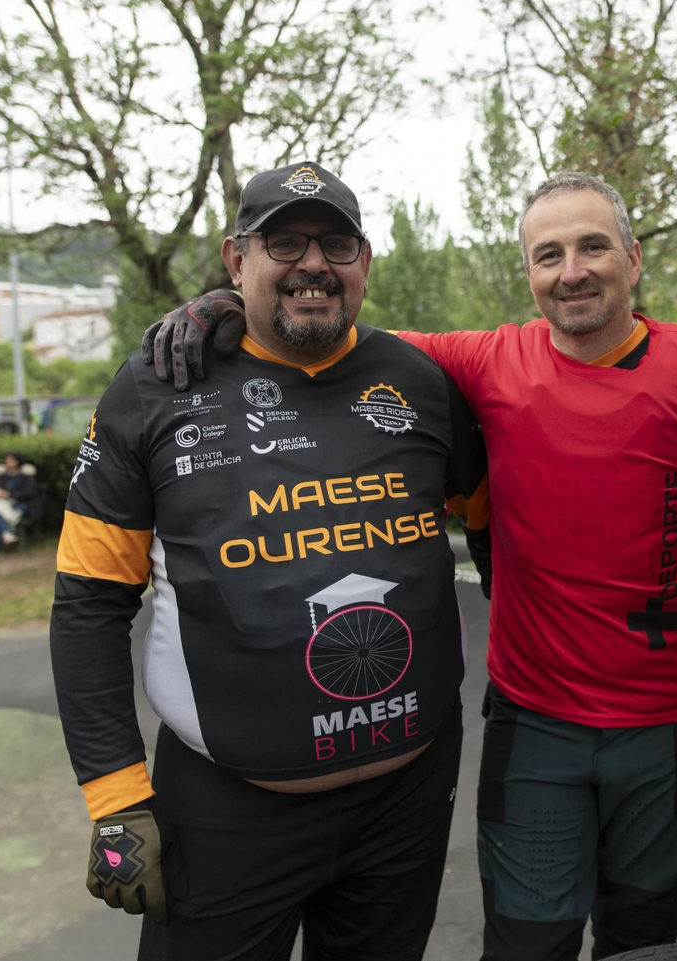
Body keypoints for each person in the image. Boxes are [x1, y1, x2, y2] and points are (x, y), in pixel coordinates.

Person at [143, 171, 677, 960]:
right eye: (549, 253)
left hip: (672, 720)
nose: (572, 270)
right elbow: (330, 329)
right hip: (538, 719)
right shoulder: (482, 360)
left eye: (593, 246)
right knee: (527, 942)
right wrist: (224, 303)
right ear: (528, 272)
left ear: (634, 259)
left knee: (643, 930)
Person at [51, 161, 491, 961]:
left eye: (336, 243)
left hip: (408, 798)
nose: (313, 263)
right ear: (235, 259)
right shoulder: (152, 388)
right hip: (225, 811)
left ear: (365, 262)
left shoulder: (422, 381)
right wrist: (115, 800)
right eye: (283, 242)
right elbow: (86, 602)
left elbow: (497, 532)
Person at [0, 451, 37, 562]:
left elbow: (29, 492)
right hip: (3, 504)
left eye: (12, 460)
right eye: (7, 460)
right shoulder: (3, 475)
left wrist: (10, 495)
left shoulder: (25, 474)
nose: (9, 463)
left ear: (18, 461)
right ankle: (6, 533)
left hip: (20, 505)